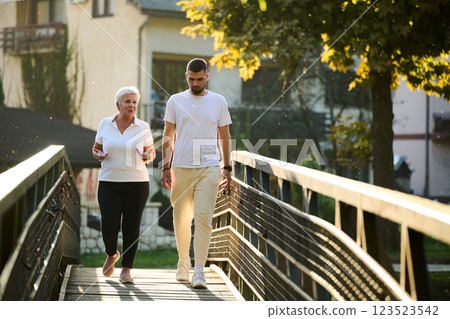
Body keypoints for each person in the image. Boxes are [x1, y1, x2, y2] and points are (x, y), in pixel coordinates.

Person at [161, 58, 232, 289]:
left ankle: (199, 269)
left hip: (209, 167)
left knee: (202, 217)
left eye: (200, 79)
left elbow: (225, 136)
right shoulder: (175, 101)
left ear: (207, 77)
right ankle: (183, 262)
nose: (195, 83)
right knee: (181, 218)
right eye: (191, 79)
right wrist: (165, 166)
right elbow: (168, 137)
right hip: (180, 167)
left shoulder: (218, 101)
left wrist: (227, 166)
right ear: (186, 76)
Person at [92, 86, 155, 283]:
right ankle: (111, 254)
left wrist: (147, 155)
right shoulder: (105, 124)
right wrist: (98, 155)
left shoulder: (143, 126)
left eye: (134, 102)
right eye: (127, 101)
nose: (131, 105)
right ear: (118, 104)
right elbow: (95, 149)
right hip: (109, 182)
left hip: (137, 184)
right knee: (109, 225)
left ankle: (126, 270)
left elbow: (151, 152)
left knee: (131, 227)